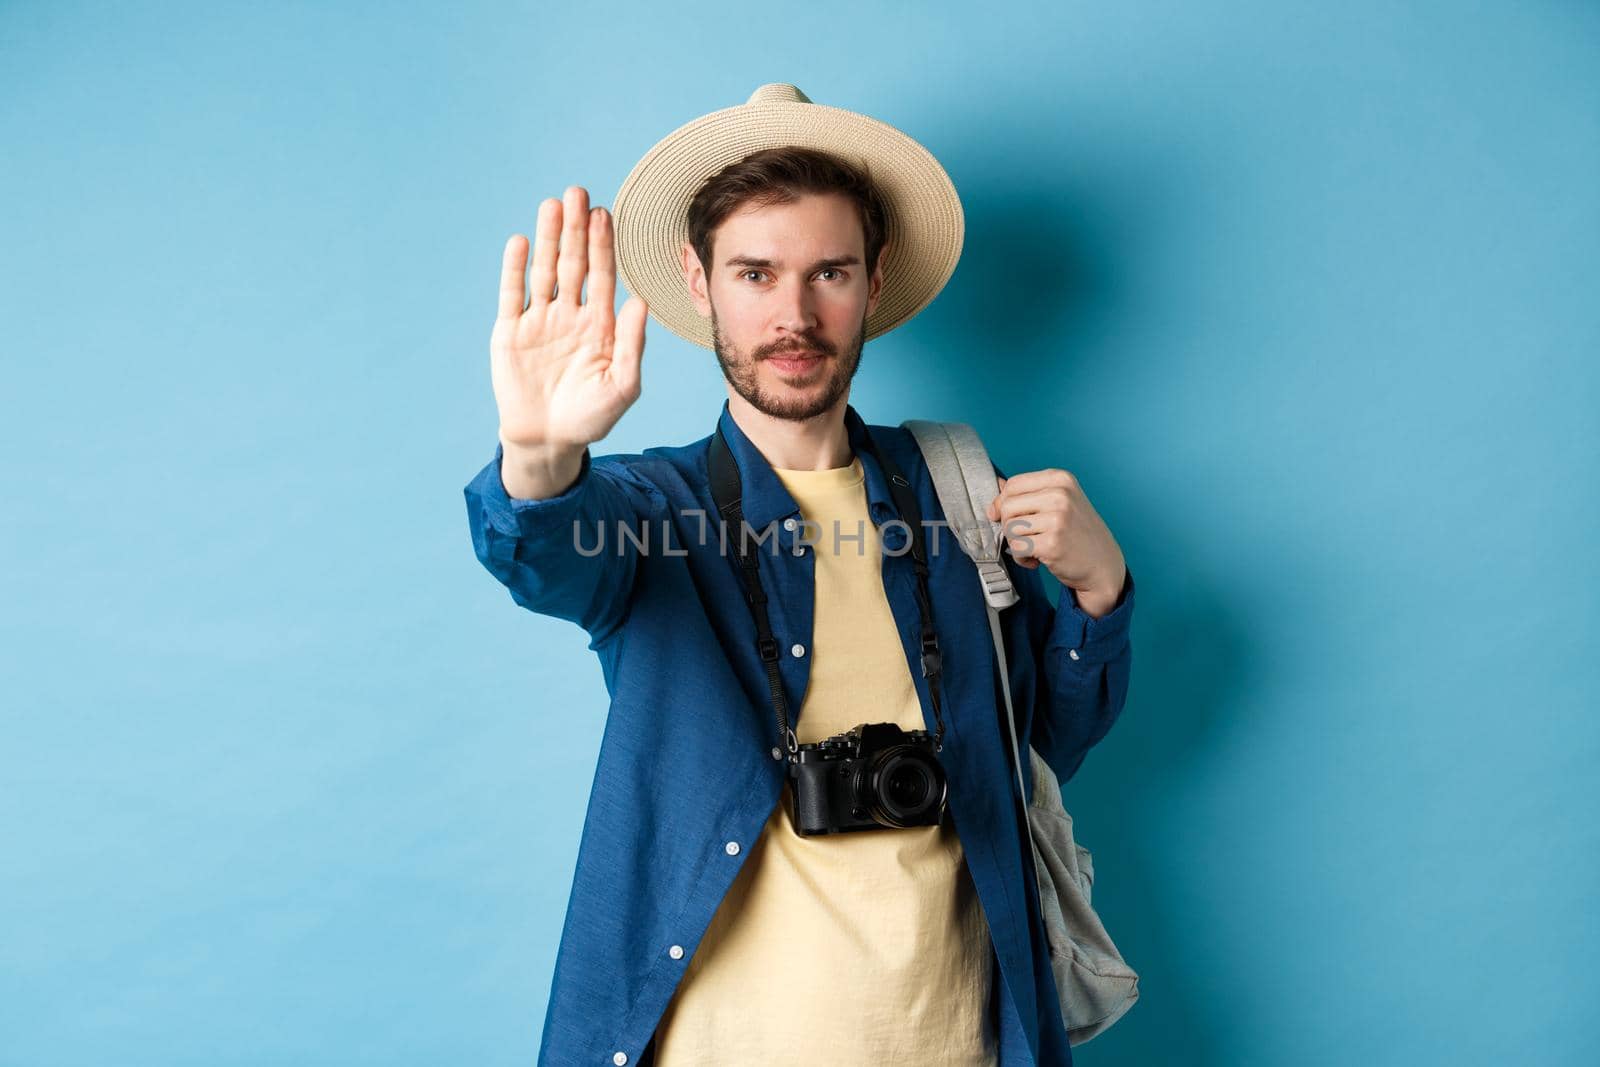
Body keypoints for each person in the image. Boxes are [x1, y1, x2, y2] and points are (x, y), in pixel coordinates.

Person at [463, 84, 1135, 1067]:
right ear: (698, 281)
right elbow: (541, 550)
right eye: (755, 272)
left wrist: (1097, 593)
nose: (792, 314)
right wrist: (535, 453)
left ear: (874, 279)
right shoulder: (653, 509)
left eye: (828, 272)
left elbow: (1039, 749)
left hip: (959, 1037)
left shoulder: (955, 487)